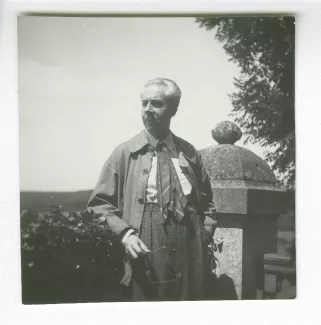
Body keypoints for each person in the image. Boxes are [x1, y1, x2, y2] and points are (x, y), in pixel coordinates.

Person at [87, 78, 217, 301]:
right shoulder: (125, 153)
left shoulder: (190, 152)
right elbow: (99, 205)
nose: (147, 109)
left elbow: (209, 204)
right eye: (144, 103)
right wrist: (125, 234)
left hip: (190, 247)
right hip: (146, 243)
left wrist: (204, 234)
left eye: (156, 103)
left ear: (173, 109)